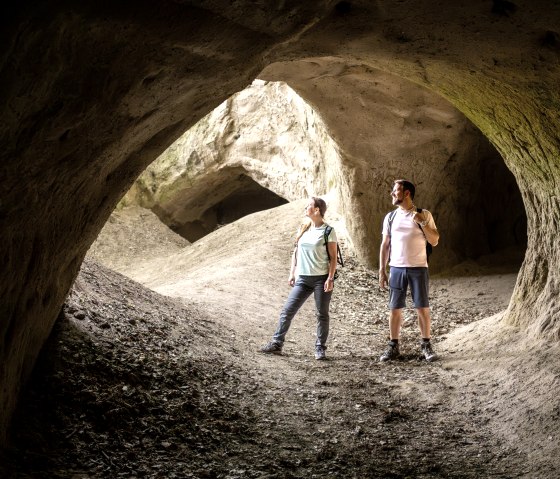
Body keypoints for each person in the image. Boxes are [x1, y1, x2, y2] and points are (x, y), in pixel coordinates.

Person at [261, 197, 338, 360]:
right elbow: (295, 253)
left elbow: (333, 258)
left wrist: (330, 278)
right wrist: (292, 273)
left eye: (309, 206)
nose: (306, 207)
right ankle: (277, 343)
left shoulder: (328, 231)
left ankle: (320, 348)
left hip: (321, 279)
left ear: (317, 210)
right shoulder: (303, 228)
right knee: (287, 311)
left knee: (321, 314)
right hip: (303, 278)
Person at [378, 179, 440, 362]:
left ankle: (426, 345)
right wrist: (382, 270)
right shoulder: (390, 218)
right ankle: (393, 346)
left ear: (406, 193)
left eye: (395, 190)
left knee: (422, 308)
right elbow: (385, 245)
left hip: (419, 268)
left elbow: (435, 240)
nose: (392, 193)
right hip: (396, 268)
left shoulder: (424, 214)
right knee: (394, 308)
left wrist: (422, 223)